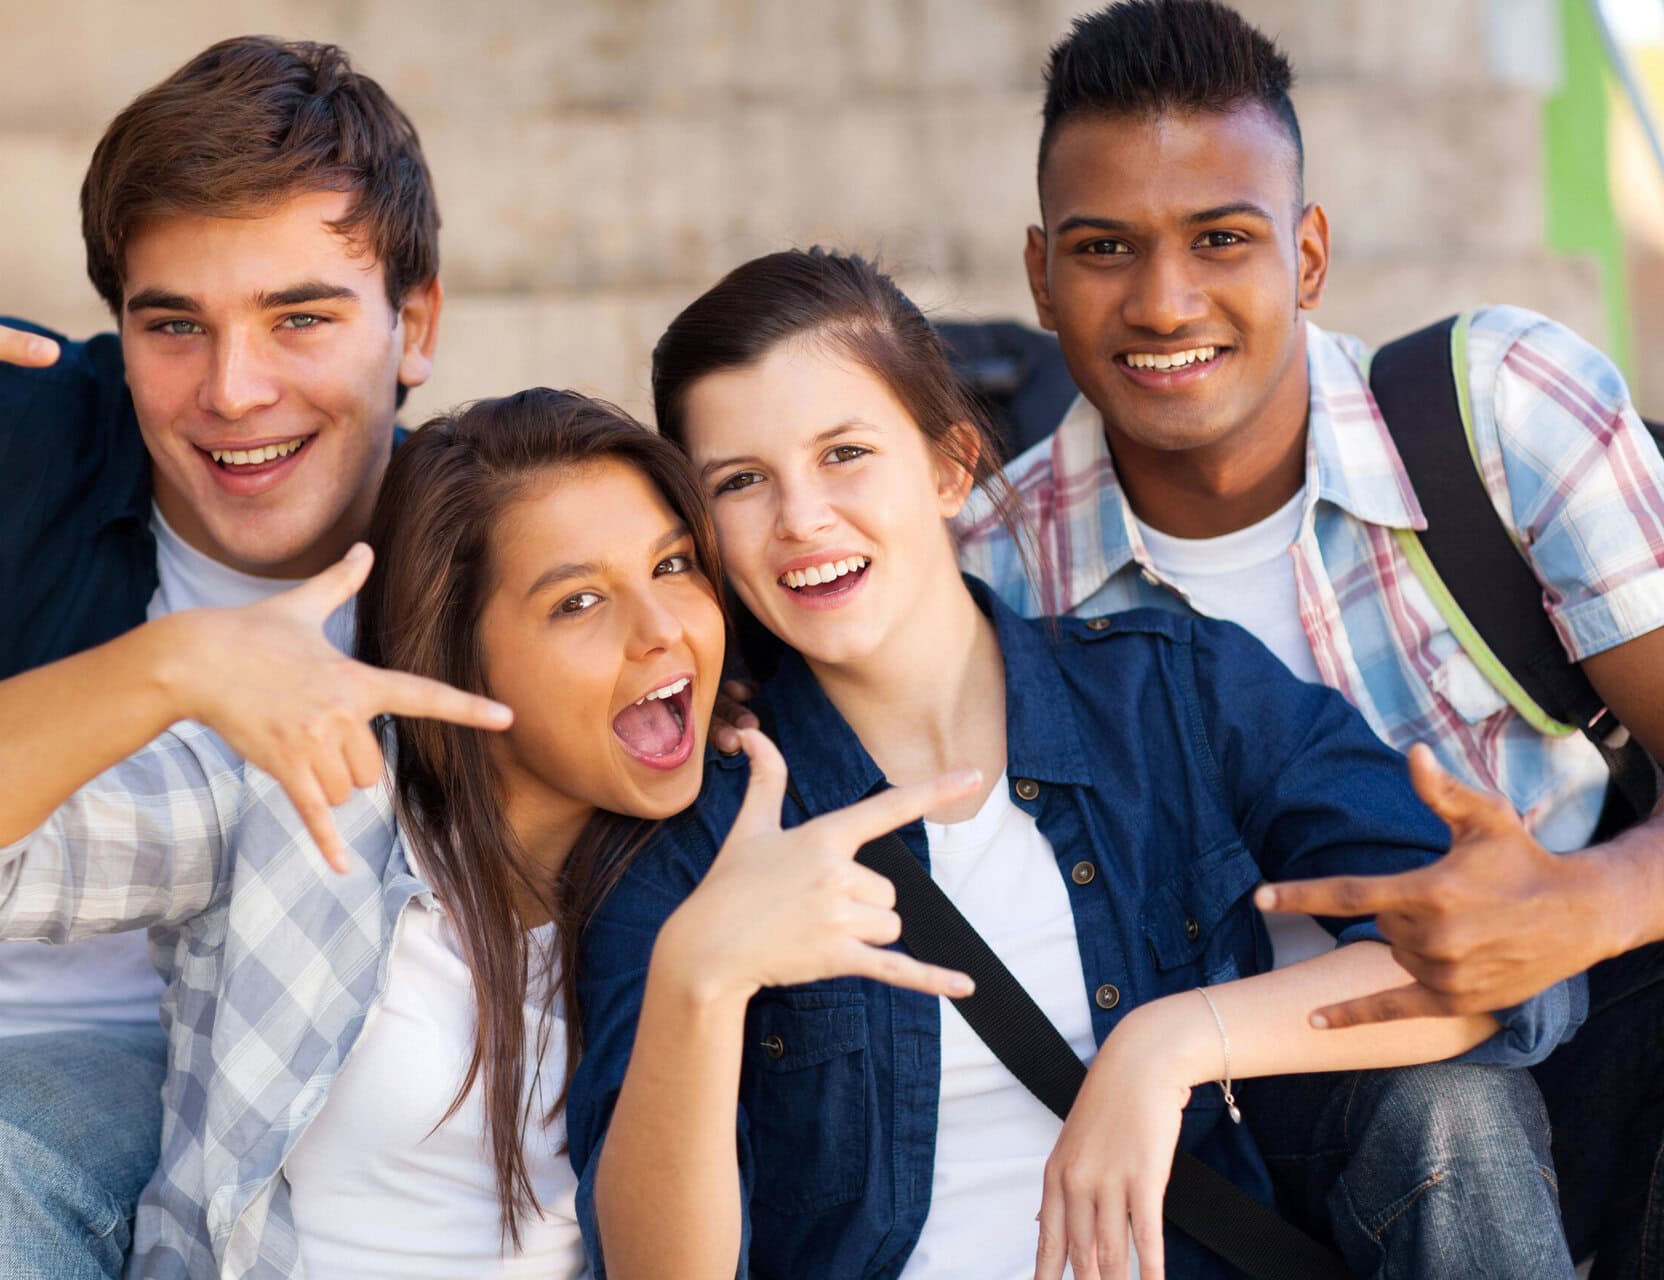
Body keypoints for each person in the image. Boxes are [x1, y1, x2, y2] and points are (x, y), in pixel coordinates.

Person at [567, 247, 1583, 1280]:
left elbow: (1503, 956)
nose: (801, 517)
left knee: (1460, 1102)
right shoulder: (695, 830)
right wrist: (703, 972)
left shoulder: (1173, 699)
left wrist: (1172, 1042)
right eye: (740, 481)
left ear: (951, 464)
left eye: (844, 453)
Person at [953, 2, 1664, 1272]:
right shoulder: (996, 575)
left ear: (1311, 254)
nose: (1165, 302)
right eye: (1105, 247)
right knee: (1443, 1103)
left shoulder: (1497, 413)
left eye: (1222, 238)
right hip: (1256, 1125)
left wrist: (1584, 902)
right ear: (1039, 277)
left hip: (1599, 1033)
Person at [0, 36, 448, 1278]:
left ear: (416, 323)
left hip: (185, 1102)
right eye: (173, 323)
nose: (235, 390)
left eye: (300, 317)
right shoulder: (13, 429)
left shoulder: (490, 550)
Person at [0, 388, 727, 1278]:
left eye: (673, 565)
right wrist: (172, 665)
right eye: (576, 601)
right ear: (456, 643)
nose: (661, 633)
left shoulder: (745, 834)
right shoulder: (313, 792)